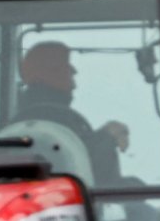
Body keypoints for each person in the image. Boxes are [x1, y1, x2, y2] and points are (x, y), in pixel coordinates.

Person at [15, 41, 127, 186]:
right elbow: (87, 172)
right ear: (52, 72)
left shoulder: (32, 117)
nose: (74, 71)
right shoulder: (49, 118)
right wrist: (108, 136)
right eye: (66, 66)